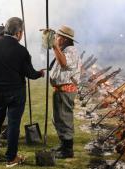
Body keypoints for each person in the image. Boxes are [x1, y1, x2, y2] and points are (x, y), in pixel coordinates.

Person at [0, 17, 45, 167]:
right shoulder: (21, 50)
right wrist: (40, 73)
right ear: (18, 33)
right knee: (13, 124)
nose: (22, 34)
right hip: (15, 93)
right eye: (22, 32)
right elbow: (29, 73)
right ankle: (11, 158)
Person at [50, 25, 81, 159]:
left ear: (64, 39)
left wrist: (54, 46)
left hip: (65, 91)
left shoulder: (71, 51)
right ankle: (63, 144)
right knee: (58, 119)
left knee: (64, 119)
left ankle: (68, 150)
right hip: (61, 90)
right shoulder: (65, 50)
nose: (56, 38)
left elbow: (63, 63)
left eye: (57, 36)